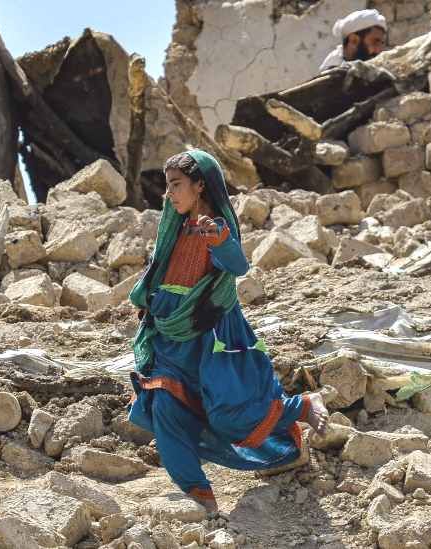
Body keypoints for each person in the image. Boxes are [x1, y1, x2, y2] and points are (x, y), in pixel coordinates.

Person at [127, 150, 329, 517]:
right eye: (167, 185)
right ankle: (201, 498)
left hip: (215, 337)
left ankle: (302, 406)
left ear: (200, 184)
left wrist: (219, 238)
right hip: (171, 338)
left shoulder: (216, 226)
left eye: (177, 185)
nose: (168, 194)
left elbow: (236, 264)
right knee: (163, 407)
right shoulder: (174, 227)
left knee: (227, 415)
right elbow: (161, 271)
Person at [318, 9, 388, 73]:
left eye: (381, 44)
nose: (379, 51)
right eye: (375, 42)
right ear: (354, 40)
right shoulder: (332, 73)